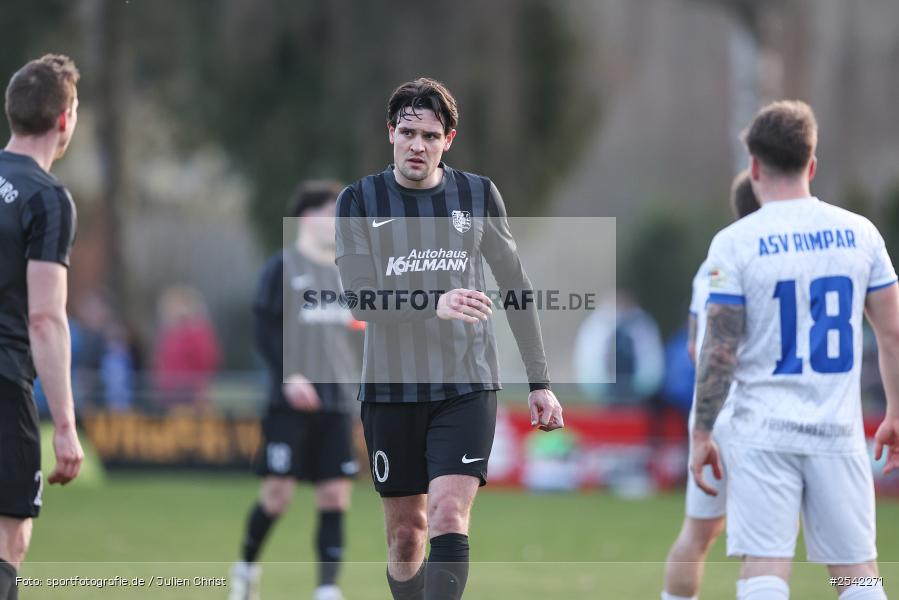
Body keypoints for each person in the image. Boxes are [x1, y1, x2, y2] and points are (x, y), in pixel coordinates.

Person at [335, 77, 564, 600]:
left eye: (431, 136)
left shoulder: (477, 195)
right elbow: (359, 300)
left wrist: (540, 381)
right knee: (406, 534)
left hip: (466, 384)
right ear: (391, 133)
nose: (419, 145)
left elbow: (515, 285)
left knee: (446, 514)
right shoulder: (359, 201)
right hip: (391, 391)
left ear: (449, 140)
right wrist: (433, 303)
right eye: (409, 132)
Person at [690, 100, 899, 600]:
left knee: (764, 568)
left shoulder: (735, 242)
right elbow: (892, 333)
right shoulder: (860, 233)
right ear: (812, 164)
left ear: (755, 166)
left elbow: (719, 349)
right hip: (838, 430)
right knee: (857, 573)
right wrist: (895, 411)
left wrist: (701, 433)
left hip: (762, 431)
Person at [230, 181, 361, 600]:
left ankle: (326, 589)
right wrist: (290, 375)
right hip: (288, 404)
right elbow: (265, 330)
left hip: (337, 402)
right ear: (307, 218)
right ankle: (246, 568)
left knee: (334, 494)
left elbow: (357, 336)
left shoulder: (347, 273)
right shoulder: (282, 267)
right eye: (331, 214)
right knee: (277, 495)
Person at [0, 54, 85, 599]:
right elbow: (45, 318)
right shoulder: (47, 197)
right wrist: (66, 425)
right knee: (9, 540)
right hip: (5, 380)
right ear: (64, 119)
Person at [661, 171, 759, 600]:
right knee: (769, 546)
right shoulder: (765, 252)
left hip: (713, 409)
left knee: (698, 534)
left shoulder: (714, 259)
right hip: (778, 415)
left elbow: (693, 346)